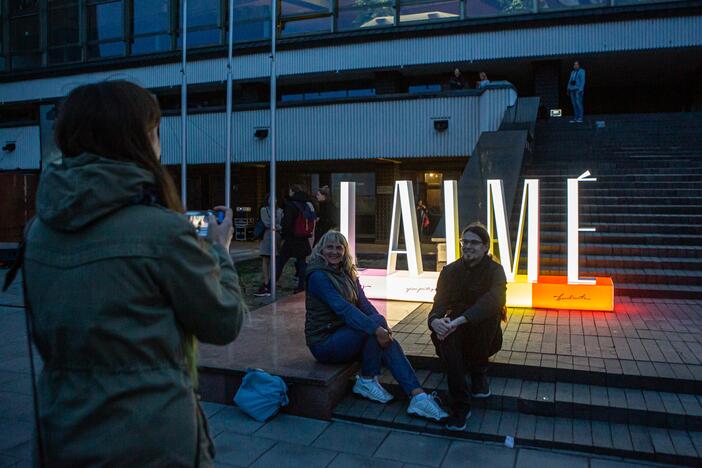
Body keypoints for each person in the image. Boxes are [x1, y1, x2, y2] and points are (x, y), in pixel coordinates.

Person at [19, 81, 248, 466]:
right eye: (155, 131)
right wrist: (219, 252)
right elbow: (224, 321)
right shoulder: (161, 230)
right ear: (138, 139)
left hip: (62, 430)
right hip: (151, 439)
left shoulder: (39, 231)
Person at [305, 231, 449, 421]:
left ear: (345, 251)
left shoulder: (347, 272)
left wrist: (381, 326)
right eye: (329, 247)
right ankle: (371, 381)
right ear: (321, 249)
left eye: (339, 247)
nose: (334, 252)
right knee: (375, 330)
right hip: (324, 342)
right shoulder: (318, 276)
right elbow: (343, 309)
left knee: (379, 327)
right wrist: (377, 329)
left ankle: (418, 396)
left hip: (345, 334)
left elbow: (364, 304)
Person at [428, 223, 506, 432]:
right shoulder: (450, 271)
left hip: (485, 335)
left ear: (485, 247)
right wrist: (435, 321)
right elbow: (439, 304)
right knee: (445, 334)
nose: (468, 246)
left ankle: (479, 372)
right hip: (455, 331)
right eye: (465, 242)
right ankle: (461, 406)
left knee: (488, 317)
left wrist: (458, 321)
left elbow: (493, 301)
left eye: (474, 242)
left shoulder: (495, 271)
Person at [276, 184, 316, 293]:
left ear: (292, 192)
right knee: (302, 261)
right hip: (304, 237)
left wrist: (284, 235)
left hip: (292, 238)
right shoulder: (308, 204)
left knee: (281, 260)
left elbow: (287, 222)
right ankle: (302, 285)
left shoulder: (291, 205)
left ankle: (271, 284)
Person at [255, 193, 283, 297]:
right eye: (271, 198)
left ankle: (274, 281)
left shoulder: (280, 211)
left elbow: (282, 223)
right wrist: (277, 226)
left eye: (275, 199)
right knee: (265, 259)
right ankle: (266, 282)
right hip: (267, 237)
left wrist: (277, 227)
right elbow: (267, 223)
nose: (273, 200)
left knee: (275, 260)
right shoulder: (264, 210)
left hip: (277, 237)